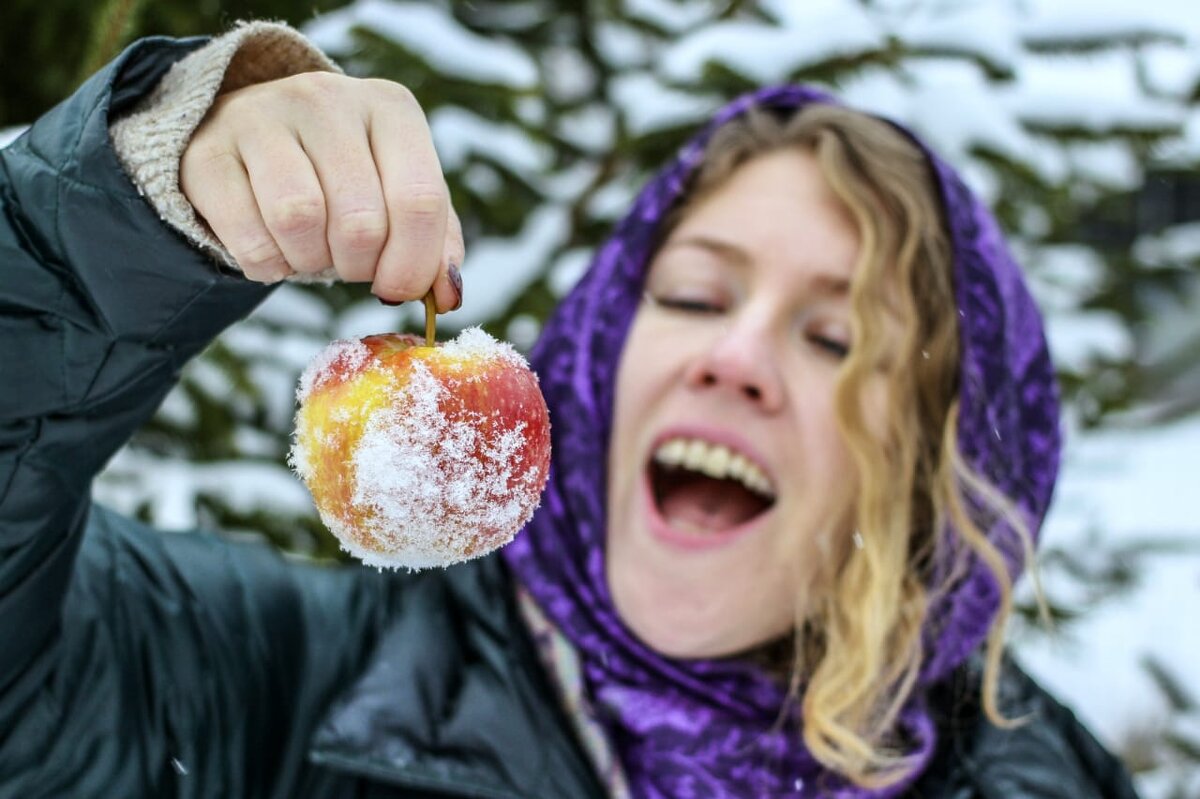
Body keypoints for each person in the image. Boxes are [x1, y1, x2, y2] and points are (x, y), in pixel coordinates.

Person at [0, 20, 1140, 799]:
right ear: (604, 354)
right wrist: (116, 221)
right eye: (694, 294)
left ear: (941, 451)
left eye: (838, 338)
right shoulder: (279, 693)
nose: (736, 357)